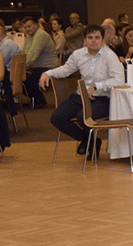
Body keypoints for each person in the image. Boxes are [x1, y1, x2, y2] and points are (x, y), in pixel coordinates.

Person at [39, 25, 125, 160]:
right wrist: (47, 73)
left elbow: (119, 80)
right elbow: (65, 70)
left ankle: (89, 143)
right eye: (90, 37)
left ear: (102, 40)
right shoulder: (78, 54)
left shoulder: (110, 55)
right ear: (85, 40)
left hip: (103, 99)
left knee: (82, 117)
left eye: (97, 37)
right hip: (81, 97)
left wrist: (96, 86)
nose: (93, 41)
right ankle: (89, 141)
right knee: (57, 117)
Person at [20, 16, 59, 109]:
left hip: (49, 67)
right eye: (25, 27)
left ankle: (39, 100)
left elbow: (32, 56)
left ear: (36, 25)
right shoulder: (29, 36)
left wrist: (20, 67)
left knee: (26, 77)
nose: (27, 29)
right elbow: (24, 53)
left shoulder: (40, 35)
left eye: (29, 26)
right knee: (21, 75)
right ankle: (33, 99)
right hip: (37, 67)